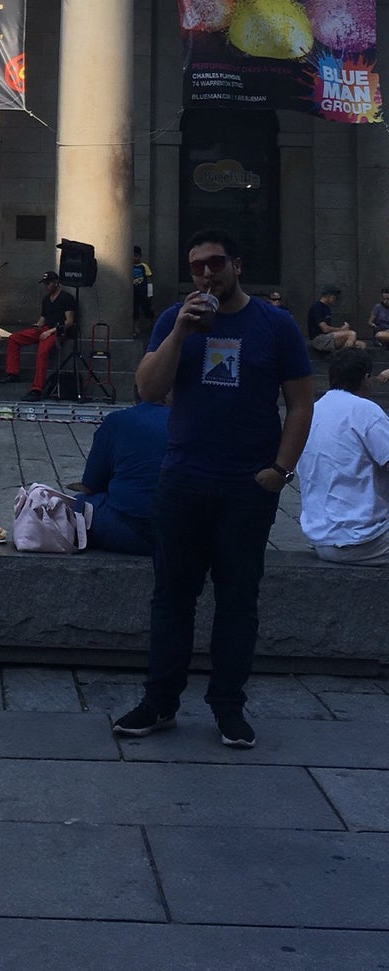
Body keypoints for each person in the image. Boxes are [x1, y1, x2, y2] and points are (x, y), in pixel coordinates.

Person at [113, 227, 313, 750]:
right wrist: (180, 332)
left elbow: (300, 403)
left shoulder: (276, 325)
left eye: (216, 262)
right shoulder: (173, 320)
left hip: (247, 485)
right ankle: (159, 702)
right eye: (197, 265)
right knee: (171, 597)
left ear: (237, 265)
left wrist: (280, 471)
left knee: (237, 600)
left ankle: (228, 707)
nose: (206, 273)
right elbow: (148, 391)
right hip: (183, 479)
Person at [298, 347, 389, 563]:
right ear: (366, 378)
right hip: (364, 539)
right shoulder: (366, 411)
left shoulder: (314, 411)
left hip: (320, 537)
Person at [72, 398, 169, 554]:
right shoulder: (195, 424)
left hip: (128, 528)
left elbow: (91, 484)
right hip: (184, 532)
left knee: (79, 503)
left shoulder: (117, 421)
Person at [1, 271, 75, 400]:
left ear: (56, 282)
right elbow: (43, 318)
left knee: (42, 352)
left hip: (58, 331)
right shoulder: (46, 299)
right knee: (14, 338)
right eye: (45, 284)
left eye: (49, 283)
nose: (46, 286)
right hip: (45, 328)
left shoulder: (66, 297)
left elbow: (69, 321)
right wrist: (37, 326)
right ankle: (12, 373)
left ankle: (37, 389)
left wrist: (50, 331)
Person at [307, 286, 362, 354]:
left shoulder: (326, 308)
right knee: (351, 334)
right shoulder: (317, 307)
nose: (336, 299)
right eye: (335, 296)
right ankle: (343, 360)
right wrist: (341, 329)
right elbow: (325, 329)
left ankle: (338, 356)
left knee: (361, 344)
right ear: (328, 296)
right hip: (319, 339)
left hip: (326, 337)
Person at [133, 246, 154, 334]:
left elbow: (149, 279)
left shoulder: (144, 266)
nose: (134, 258)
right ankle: (136, 329)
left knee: (147, 309)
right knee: (135, 311)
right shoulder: (128, 266)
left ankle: (152, 324)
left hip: (143, 292)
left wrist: (150, 292)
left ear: (140, 256)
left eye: (136, 256)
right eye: (133, 256)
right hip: (133, 292)